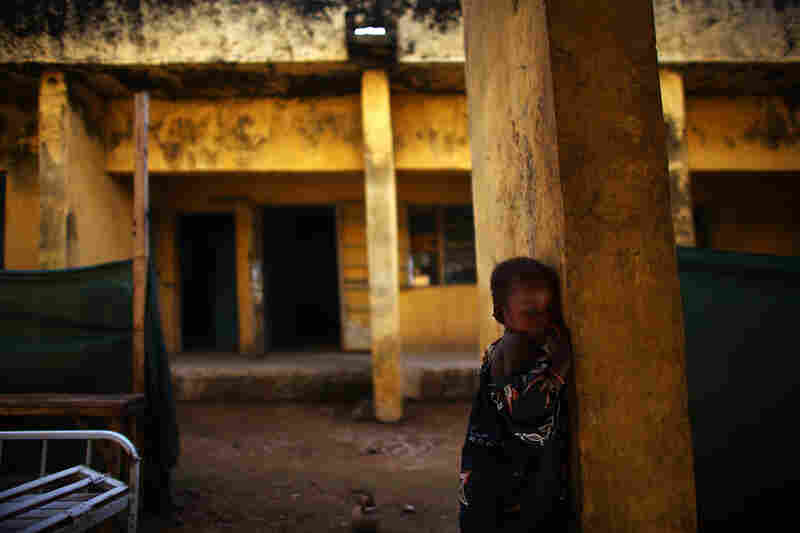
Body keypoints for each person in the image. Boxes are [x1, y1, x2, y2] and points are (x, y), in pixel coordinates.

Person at [458, 257, 572, 533]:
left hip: (495, 482)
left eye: (548, 312)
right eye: (531, 314)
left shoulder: (516, 345)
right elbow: (527, 410)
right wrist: (561, 368)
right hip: (505, 491)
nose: (542, 322)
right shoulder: (515, 349)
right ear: (501, 314)